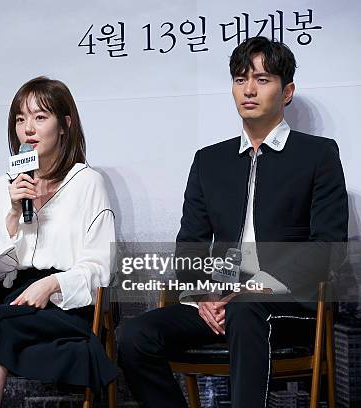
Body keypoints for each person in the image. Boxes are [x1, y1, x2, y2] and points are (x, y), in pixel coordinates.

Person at [117, 37, 348, 408]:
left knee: (245, 309)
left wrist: (254, 288)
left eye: (262, 79)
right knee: (133, 335)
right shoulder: (209, 161)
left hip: (287, 302)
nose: (249, 90)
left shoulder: (317, 155)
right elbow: (189, 246)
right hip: (221, 300)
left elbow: (327, 248)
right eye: (240, 80)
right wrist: (204, 295)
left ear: (286, 91)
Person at [0, 76, 117, 408]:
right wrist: (14, 216)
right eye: (21, 118)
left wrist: (51, 284)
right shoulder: (7, 185)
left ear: (65, 125)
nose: (28, 128)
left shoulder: (88, 182)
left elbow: (100, 268)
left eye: (40, 117)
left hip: (65, 304)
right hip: (13, 298)